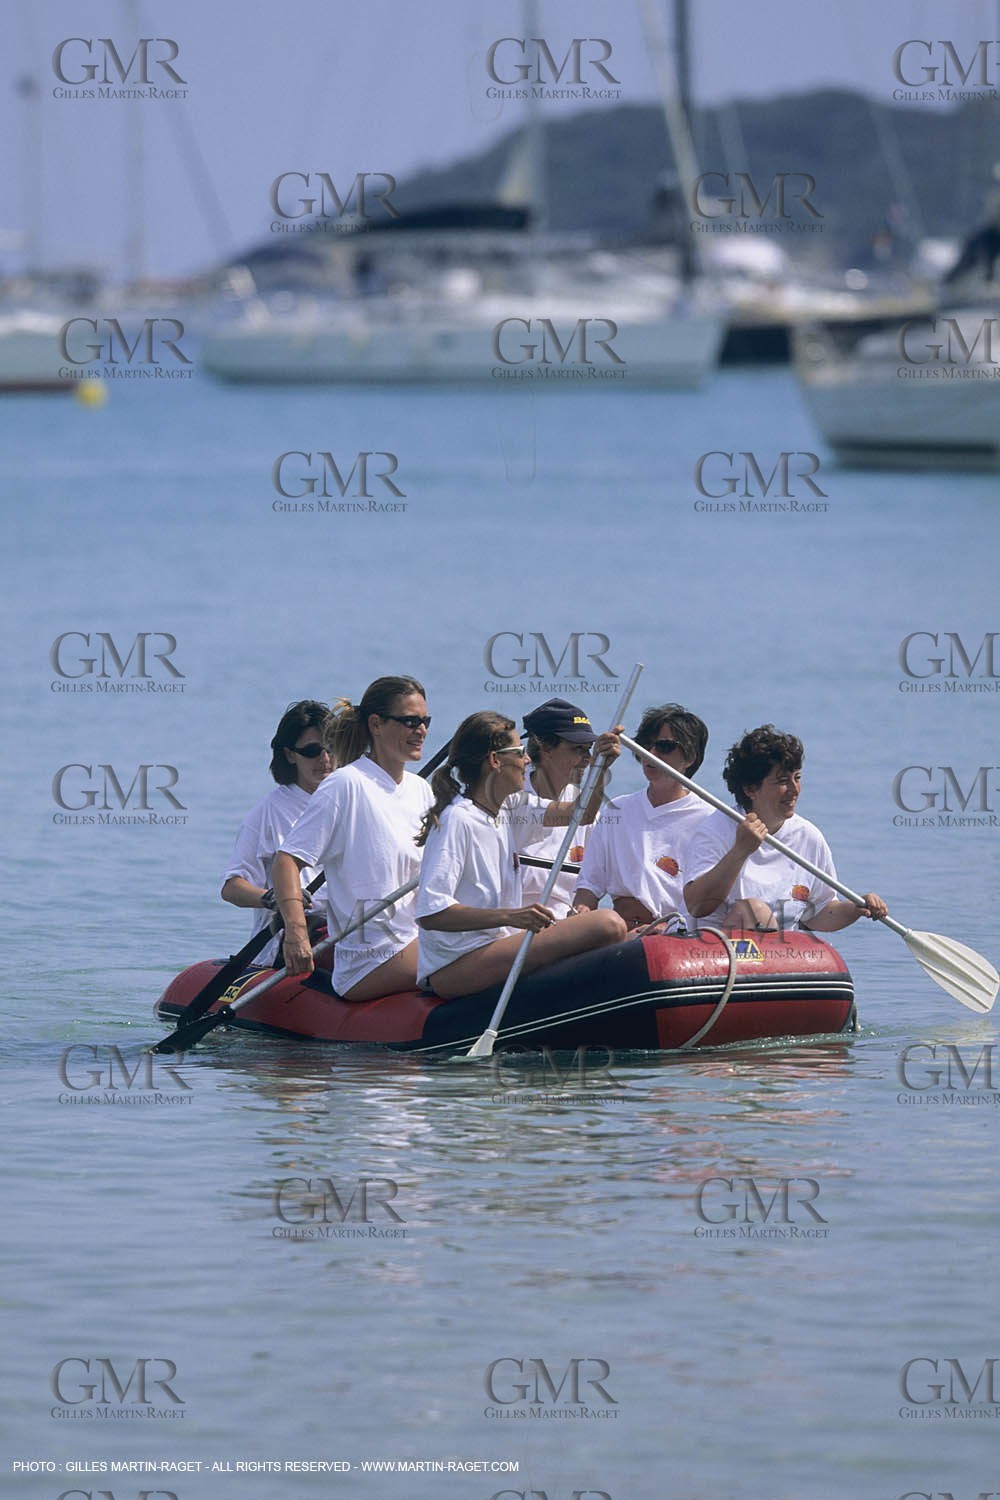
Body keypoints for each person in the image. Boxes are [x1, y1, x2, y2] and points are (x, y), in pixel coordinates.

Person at [414, 711, 626, 1000]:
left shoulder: (510, 808)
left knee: (614, 932)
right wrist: (514, 916)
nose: (528, 760)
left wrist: (599, 767)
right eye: (520, 752)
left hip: (496, 947)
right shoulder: (458, 820)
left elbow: (582, 814)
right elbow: (431, 914)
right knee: (608, 924)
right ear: (495, 760)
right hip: (457, 964)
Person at [272, 675, 434, 1000]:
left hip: (420, 941)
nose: (421, 730)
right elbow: (286, 861)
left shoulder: (421, 790)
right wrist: (296, 933)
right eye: (409, 721)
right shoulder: (345, 784)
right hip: (370, 958)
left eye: (425, 721)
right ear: (376, 724)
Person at [683, 724, 888, 932]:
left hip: (778, 947)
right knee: (753, 911)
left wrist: (856, 907)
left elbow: (819, 914)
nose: (794, 790)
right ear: (750, 789)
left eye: (797, 778)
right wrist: (740, 850)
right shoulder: (715, 829)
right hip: (712, 944)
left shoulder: (809, 837)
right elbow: (697, 906)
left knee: (759, 915)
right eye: (782, 781)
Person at [573, 703, 712, 931]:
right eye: (645, 745)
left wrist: (669, 928)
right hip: (619, 931)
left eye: (664, 746)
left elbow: (707, 902)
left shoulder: (709, 819)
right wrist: (580, 911)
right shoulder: (617, 810)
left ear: (689, 757)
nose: (651, 754)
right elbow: (589, 884)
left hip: (672, 934)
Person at [221, 700, 332, 966]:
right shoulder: (267, 812)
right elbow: (231, 888)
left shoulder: (353, 803)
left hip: (347, 930)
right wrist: (273, 898)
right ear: (290, 755)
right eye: (312, 751)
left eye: (332, 748)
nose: (326, 759)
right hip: (288, 940)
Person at [503, 697, 621, 917]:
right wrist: (600, 769)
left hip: (565, 923)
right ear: (546, 748)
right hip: (515, 923)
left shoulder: (587, 806)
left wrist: (583, 908)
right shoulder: (512, 800)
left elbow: (591, 882)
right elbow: (582, 814)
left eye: (589, 750)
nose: (588, 759)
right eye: (578, 749)